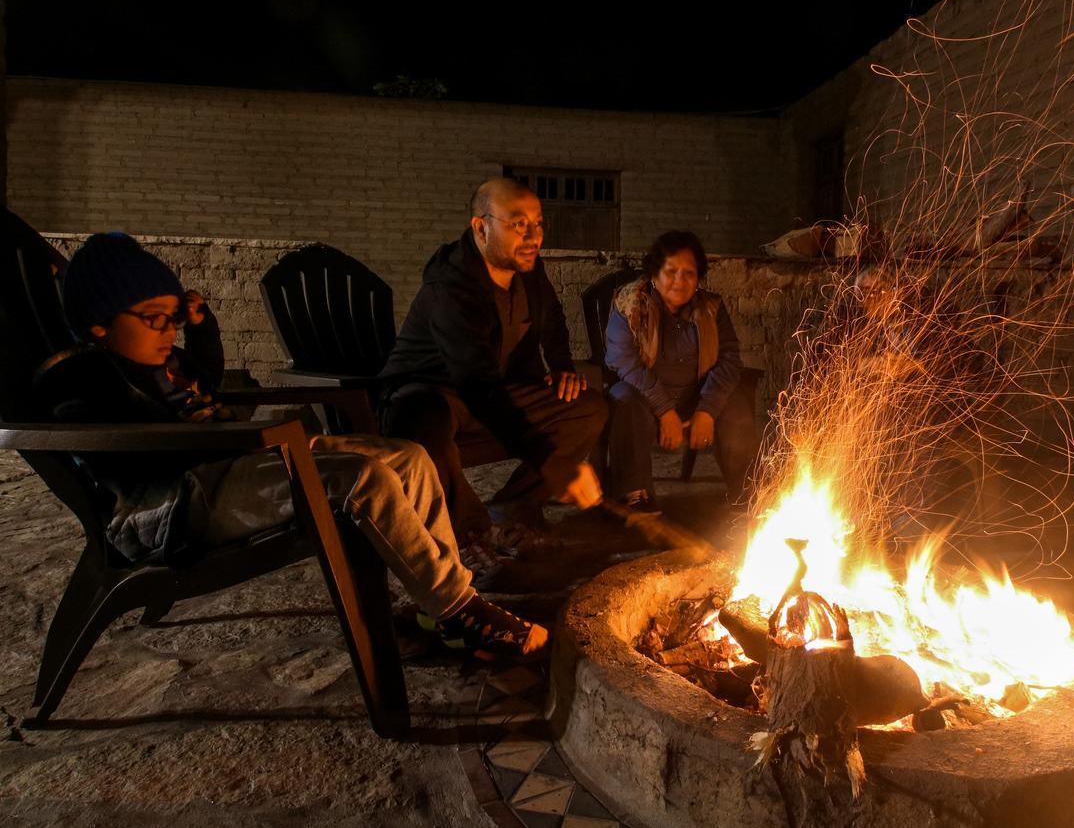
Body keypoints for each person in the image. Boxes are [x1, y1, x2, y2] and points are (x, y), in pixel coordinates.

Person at [36, 232, 546, 659]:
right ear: (99, 324)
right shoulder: (86, 375)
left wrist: (202, 328)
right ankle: (458, 610)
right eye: (154, 318)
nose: (168, 330)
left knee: (406, 456)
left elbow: (209, 379)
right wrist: (216, 436)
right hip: (177, 500)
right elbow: (107, 446)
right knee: (362, 480)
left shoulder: (164, 364)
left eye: (172, 318)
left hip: (230, 462)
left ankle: (442, 605)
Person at [379, 178, 606, 562]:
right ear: (481, 227)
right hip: (433, 400)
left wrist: (562, 367)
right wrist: (550, 461)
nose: (533, 236)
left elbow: (551, 319)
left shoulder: (528, 269)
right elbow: (476, 382)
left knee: (588, 406)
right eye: (519, 224)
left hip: (488, 400)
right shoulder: (452, 287)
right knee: (423, 417)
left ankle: (515, 509)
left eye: (539, 224)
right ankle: (471, 535)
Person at [604, 230, 760, 512]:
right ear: (655, 273)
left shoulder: (711, 308)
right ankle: (636, 494)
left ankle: (746, 491)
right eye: (671, 271)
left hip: (696, 399)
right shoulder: (629, 305)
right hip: (646, 401)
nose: (680, 281)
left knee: (736, 403)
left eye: (689, 273)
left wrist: (707, 410)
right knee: (624, 398)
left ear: (699, 277)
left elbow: (729, 359)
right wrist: (664, 410)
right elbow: (623, 360)